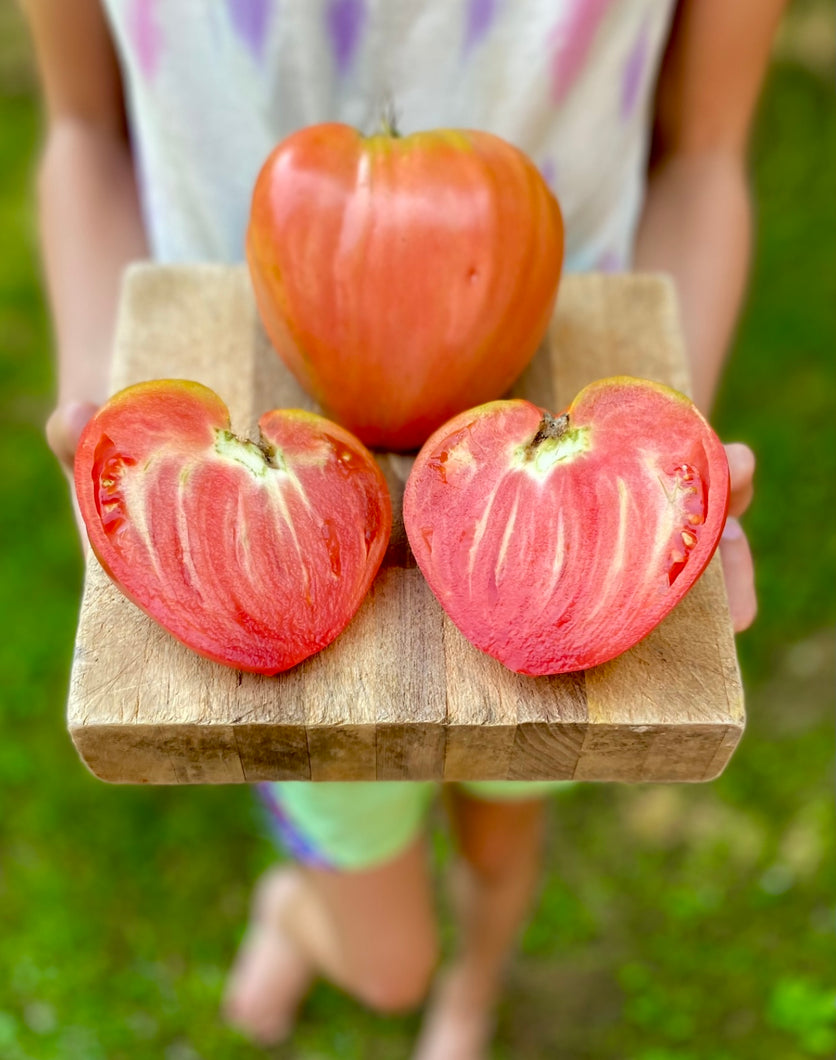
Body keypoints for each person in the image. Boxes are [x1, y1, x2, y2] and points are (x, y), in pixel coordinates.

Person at [23, 1, 780, 1055]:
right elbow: (84, 130)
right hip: (251, 436)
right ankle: (323, 922)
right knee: (386, 960)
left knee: (507, 821)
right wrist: (108, 428)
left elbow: (702, 152)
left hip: (561, 392)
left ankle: (469, 988)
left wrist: (666, 471)